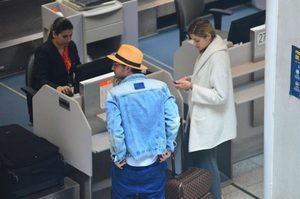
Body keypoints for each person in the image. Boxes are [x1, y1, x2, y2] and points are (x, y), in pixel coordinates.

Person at [105, 44, 180, 199]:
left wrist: (118, 156)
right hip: (155, 163)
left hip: (127, 167)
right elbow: (174, 121)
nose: (113, 68)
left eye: (116, 65)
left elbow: (115, 130)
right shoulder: (161, 87)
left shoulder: (114, 94)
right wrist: (168, 146)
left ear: (127, 68)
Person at [174, 17, 237, 199]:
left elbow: (220, 95)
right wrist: (192, 80)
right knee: (203, 163)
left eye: (196, 40)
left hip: (210, 121)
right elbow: (207, 78)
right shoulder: (208, 50)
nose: (193, 43)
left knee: (208, 165)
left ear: (208, 36)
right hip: (203, 118)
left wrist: (192, 87)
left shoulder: (218, 57)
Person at [32, 17, 81, 95]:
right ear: (54, 34)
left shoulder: (71, 46)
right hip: (52, 92)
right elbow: (39, 80)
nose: (68, 39)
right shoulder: (43, 51)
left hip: (69, 90)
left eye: (70, 35)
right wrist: (57, 88)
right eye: (64, 36)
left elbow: (78, 67)